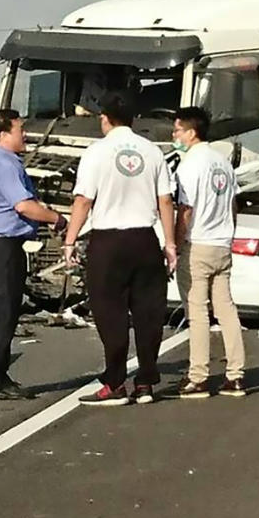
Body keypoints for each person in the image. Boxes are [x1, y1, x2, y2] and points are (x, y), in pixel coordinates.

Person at [63, 91, 177, 406]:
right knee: (149, 313)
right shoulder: (153, 151)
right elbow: (165, 200)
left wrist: (70, 240)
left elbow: (83, 199)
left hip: (108, 241)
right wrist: (170, 244)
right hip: (145, 238)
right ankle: (146, 383)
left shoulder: (96, 152)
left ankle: (114, 383)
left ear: (105, 119)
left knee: (110, 312)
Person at [0, 109, 68, 401]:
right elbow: (23, 206)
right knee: (2, 312)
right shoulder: (4, 164)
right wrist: (56, 218)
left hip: (1, 245)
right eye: (20, 129)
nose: (25, 135)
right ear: (4, 134)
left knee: (8, 311)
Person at [172, 107, 246, 398]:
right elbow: (233, 205)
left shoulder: (189, 165)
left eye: (177, 130)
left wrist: (176, 245)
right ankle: (236, 375)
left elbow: (185, 210)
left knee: (198, 312)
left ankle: (198, 377)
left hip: (198, 243)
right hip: (222, 242)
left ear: (191, 133)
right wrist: (229, 235)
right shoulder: (222, 163)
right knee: (227, 310)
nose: (174, 135)